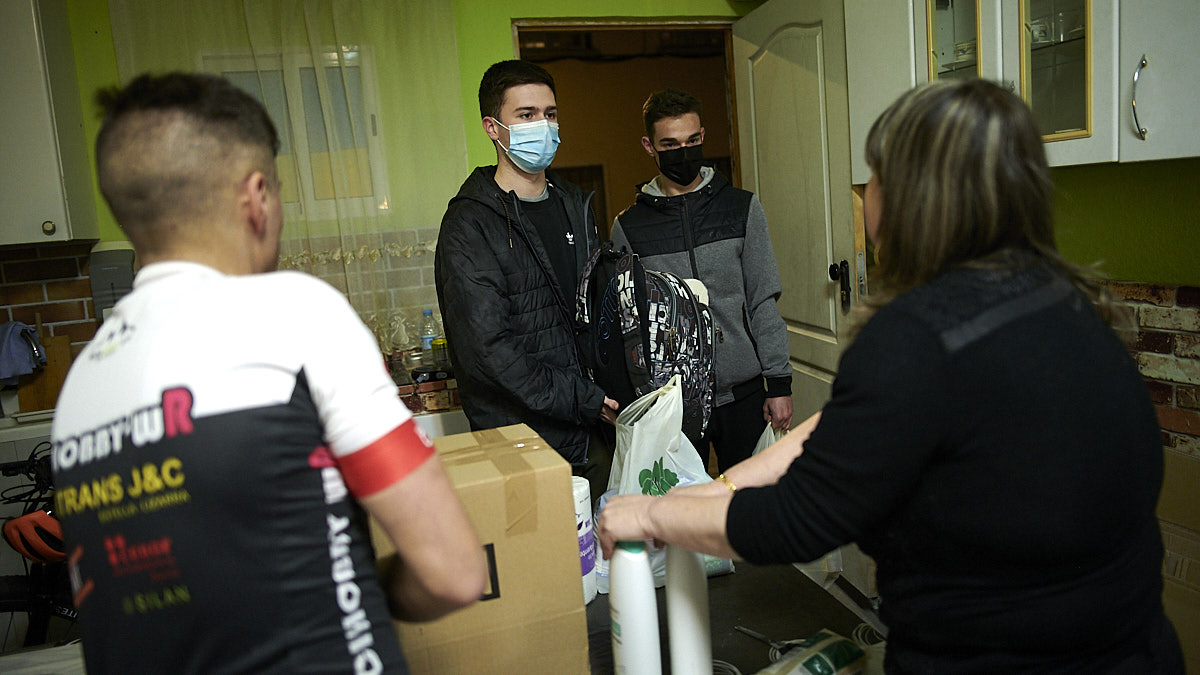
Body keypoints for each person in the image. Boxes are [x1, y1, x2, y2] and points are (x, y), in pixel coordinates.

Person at [598, 79, 1184, 674]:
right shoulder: (1062, 304)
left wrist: (648, 515)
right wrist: (717, 490)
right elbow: (844, 425)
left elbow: (797, 520)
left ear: (909, 198)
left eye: (874, 174)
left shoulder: (918, 336)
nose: (865, 192)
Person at [50, 72, 487, 674]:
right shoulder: (292, 313)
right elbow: (455, 572)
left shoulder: (82, 386)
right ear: (256, 197)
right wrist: (364, 585)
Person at [435, 60, 618, 501]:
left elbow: (597, 311)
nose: (544, 125)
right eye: (526, 115)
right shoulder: (470, 224)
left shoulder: (575, 203)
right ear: (493, 128)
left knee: (611, 562)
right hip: (521, 444)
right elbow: (489, 352)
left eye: (550, 114)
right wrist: (582, 398)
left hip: (593, 430)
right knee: (546, 567)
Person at [609, 88, 792, 472]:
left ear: (703, 135)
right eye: (670, 144)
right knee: (679, 514)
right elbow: (631, 324)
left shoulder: (742, 208)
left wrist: (779, 384)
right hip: (673, 401)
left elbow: (762, 301)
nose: (684, 152)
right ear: (649, 146)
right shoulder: (628, 227)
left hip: (742, 393)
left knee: (749, 507)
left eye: (693, 141)